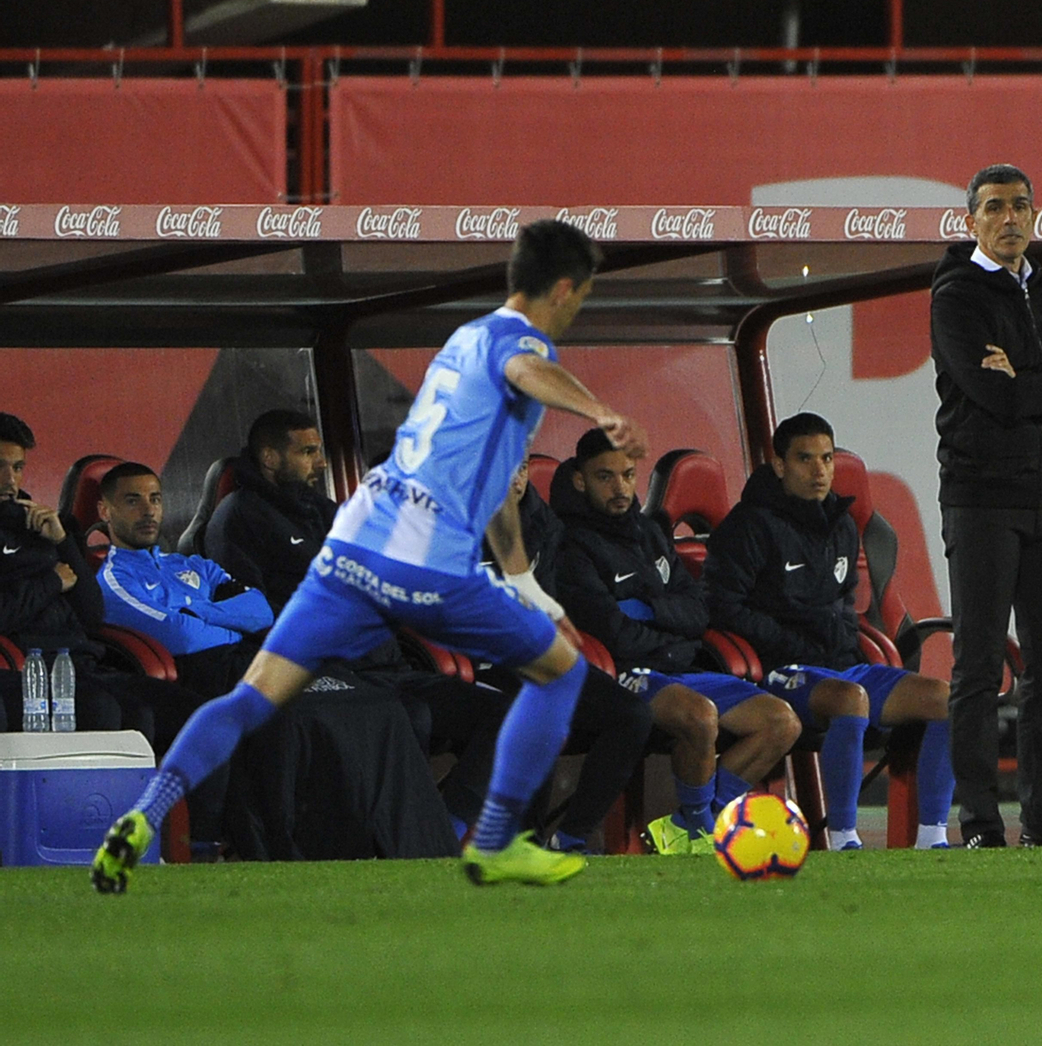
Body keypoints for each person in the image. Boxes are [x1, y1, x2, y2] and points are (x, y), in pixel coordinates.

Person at [93, 218, 647, 893]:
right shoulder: (517, 340)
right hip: (416, 553)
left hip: (353, 544)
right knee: (559, 674)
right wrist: (599, 412)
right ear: (563, 288)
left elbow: (494, 488)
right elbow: (526, 369)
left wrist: (525, 579)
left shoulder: (460, 349)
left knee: (253, 696)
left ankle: (140, 819)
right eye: (582, 293)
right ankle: (490, 841)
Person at [206, 409, 511, 840]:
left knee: (504, 714)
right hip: (328, 676)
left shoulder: (328, 512)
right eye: (308, 452)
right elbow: (249, 609)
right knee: (411, 719)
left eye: (319, 451)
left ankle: (445, 826)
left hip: (389, 666)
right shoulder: (239, 518)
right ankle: (397, 839)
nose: (321, 462)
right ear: (270, 458)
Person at [929, 164, 1042, 848]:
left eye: (1022, 206)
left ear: (1037, 216)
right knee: (978, 665)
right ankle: (979, 822)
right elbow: (992, 396)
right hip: (979, 502)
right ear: (970, 220)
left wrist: (1032, 378)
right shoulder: (956, 298)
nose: (1011, 218)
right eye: (996, 207)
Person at [704, 413, 955, 851]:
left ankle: (932, 838)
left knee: (946, 698)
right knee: (849, 699)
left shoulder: (841, 523)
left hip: (842, 666)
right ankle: (843, 839)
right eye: (805, 459)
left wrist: (842, 640)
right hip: (781, 671)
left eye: (826, 458)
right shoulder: (748, 526)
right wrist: (791, 643)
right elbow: (723, 607)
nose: (819, 471)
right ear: (779, 465)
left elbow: (845, 600)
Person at [551, 428, 801, 855]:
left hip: (686, 665)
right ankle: (701, 834)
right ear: (580, 480)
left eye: (628, 475)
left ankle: (690, 824)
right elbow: (613, 633)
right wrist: (669, 619)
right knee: (700, 718)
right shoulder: (571, 545)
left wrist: (647, 609)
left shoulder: (650, 534)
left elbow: (698, 610)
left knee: (782, 722)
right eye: (605, 477)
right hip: (628, 676)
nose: (620, 488)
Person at [480, 453, 653, 855]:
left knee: (631, 715)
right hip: (479, 660)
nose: (515, 479)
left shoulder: (542, 524)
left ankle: (571, 837)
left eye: (520, 467)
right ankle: (526, 842)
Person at [96, 461, 271, 853]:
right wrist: (226, 622)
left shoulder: (193, 566)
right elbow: (180, 637)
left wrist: (200, 611)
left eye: (155, 499)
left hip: (239, 663)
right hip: (194, 675)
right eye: (132, 500)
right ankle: (208, 843)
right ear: (104, 512)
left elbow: (261, 610)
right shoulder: (113, 579)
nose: (148, 510)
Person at [0, 412, 158, 741]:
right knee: (103, 711)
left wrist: (62, 542)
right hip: (25, 670)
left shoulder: (39, 524)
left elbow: (91, 614)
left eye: (17, 467)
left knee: (178, 713)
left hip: (79, 662)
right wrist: (52, 583)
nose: (10, 481)